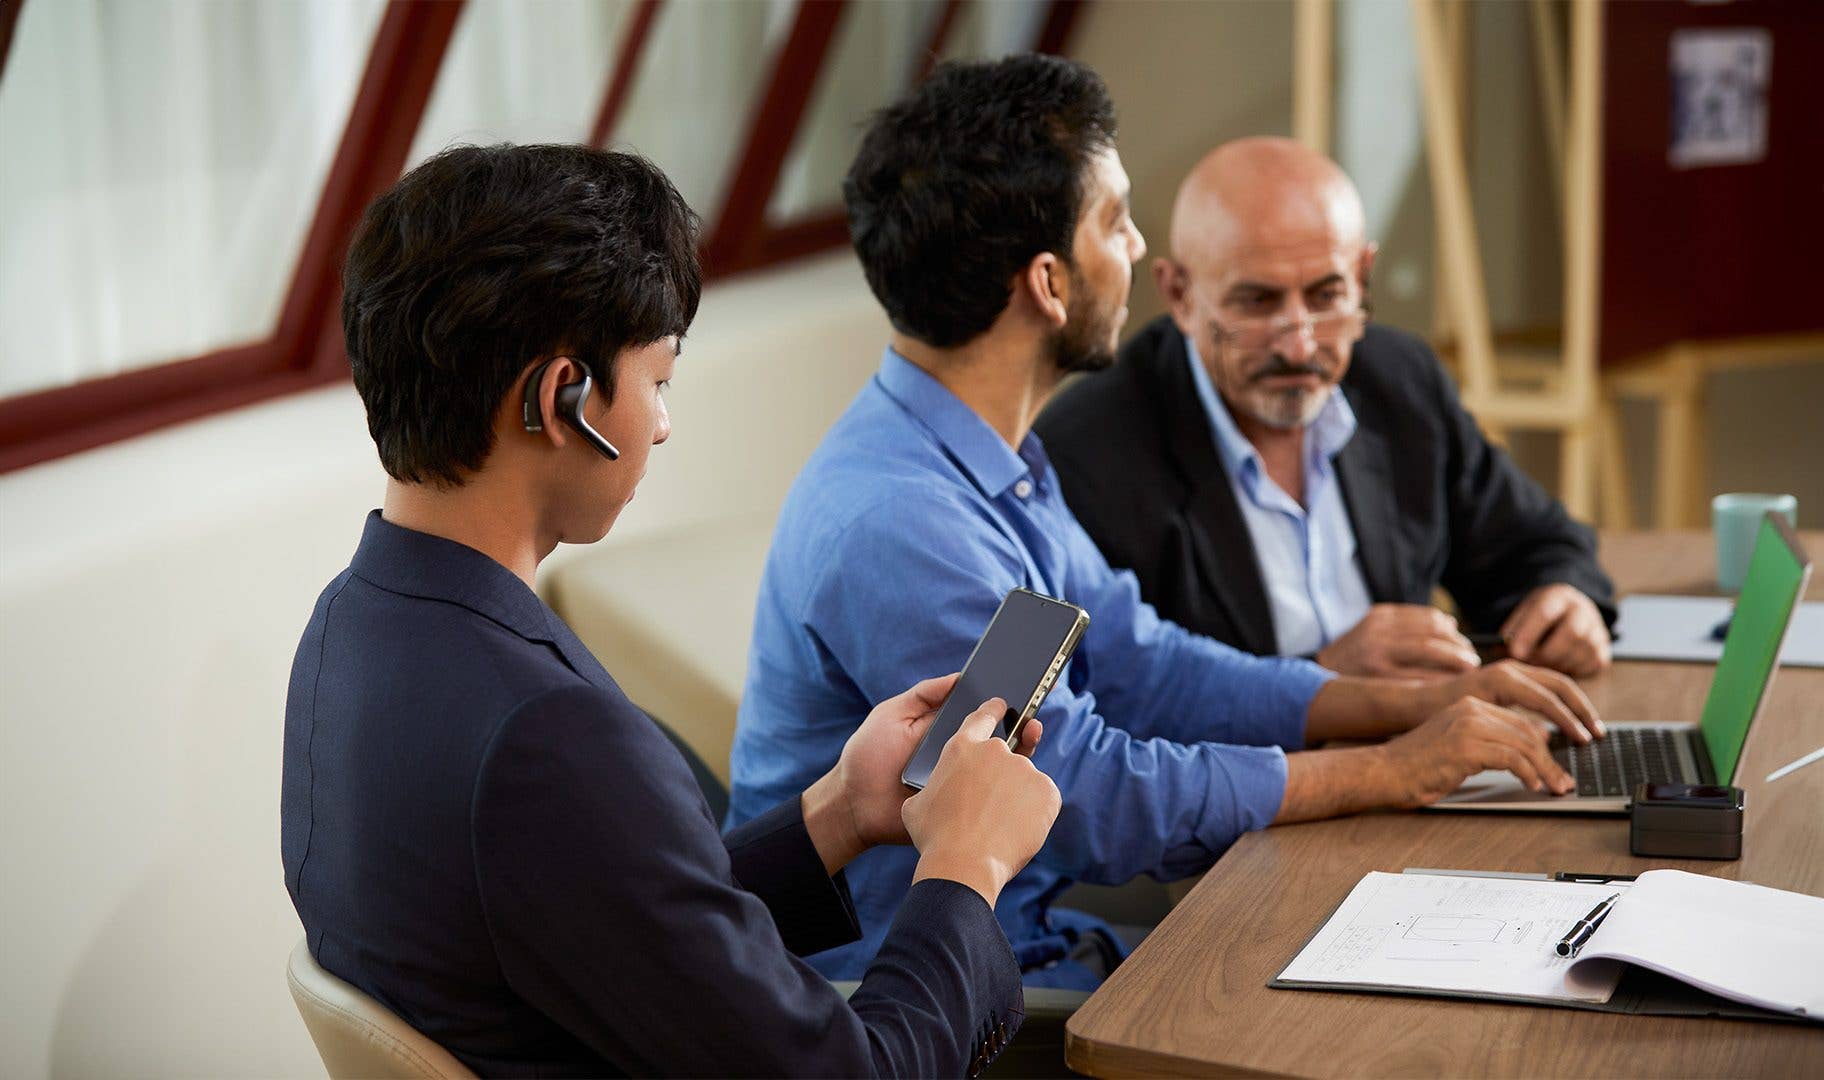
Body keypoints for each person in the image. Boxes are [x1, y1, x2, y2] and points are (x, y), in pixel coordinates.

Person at [728, 56, 1603, 993]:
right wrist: (1390, 769)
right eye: (1117, 221)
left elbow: (1142, 660)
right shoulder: (907, 525)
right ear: (1050, 285)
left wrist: (1399, 704)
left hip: (1033, 942)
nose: (1140, 251)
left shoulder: (986, 461)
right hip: (940, 1005)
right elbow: (1084, 800)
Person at [281, 143, 1061, 1077]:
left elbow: (620, 923)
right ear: (557, 399)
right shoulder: (547, 737)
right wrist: (965, 869)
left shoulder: (348, 628)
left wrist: (841, 812)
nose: (660, 423)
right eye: (657, 381)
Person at [1035, 137, 1616, 680]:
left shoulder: (1400, 380)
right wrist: (1322, 682)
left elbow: (1537, 542)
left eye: (1326, 296)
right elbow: (1110, 701)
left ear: (1362, 277)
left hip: (1439, 757)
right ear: (1180, 296)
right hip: (1263, 784)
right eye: (1257, 302)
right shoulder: (1090, 454)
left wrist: (1564, 597)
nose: (1300, 345)